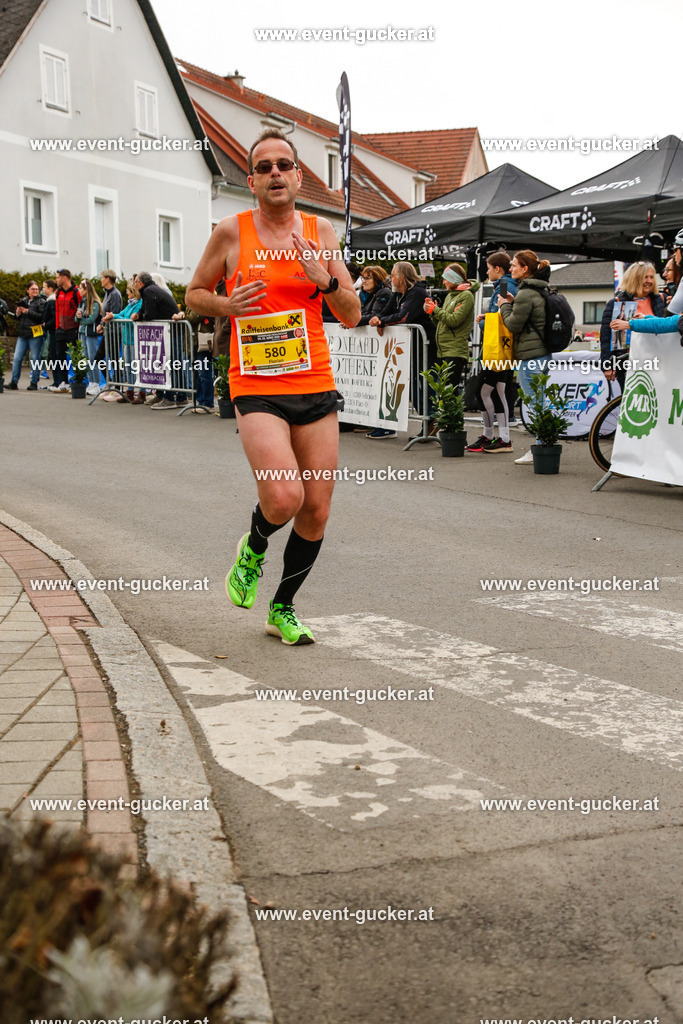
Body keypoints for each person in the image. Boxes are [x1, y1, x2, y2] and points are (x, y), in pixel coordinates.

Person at [185, 127, 360, 645]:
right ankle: (254, 547)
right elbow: (193, 294)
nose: (275, 173)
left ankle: (282, 607)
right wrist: (226, 304)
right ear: (252, 181)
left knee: (316, 508)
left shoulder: (321, 232)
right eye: (264, 167)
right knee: (284, 497)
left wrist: (326, 280)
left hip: (314, 381)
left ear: (299, 176)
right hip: (256, 384)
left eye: (284, 165)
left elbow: (352, 314)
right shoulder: (231, 232)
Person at [367, 261, 435, 438]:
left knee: (424, 382)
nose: (390, 279)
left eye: (393, 275)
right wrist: (377, 319)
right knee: (411, 383)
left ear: (402, 277)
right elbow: (385, 312)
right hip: (409, 345)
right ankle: (428, 420)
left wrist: (381, 321)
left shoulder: (417, 293)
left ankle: (432, 418)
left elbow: (404, 317)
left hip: (424, 344)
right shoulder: (398, 294)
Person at [498, 250, 551, 464]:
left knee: (535, 403)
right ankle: (545, 443)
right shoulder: (539, 289)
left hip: (531, 356)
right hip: (542, 352)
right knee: (540, 401)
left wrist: (504, 306)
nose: (510, 269)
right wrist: (512, 303)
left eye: (514, 265)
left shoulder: (526, 293)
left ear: (525, 268)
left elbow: (513, 324)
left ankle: (541, 446)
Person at [468, 253, 519, 453]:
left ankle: (491, 435)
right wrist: (487, 317)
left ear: (498, 268)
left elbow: (502, 319)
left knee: (482, 391)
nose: (487, 272)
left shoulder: (504, 285)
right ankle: (502, 438)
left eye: (488, 268)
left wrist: (483, 322)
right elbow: (501, 314)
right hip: (503, 349)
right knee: (498, 392)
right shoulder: (505, 285)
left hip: (498, 349)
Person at [600, 262, 667, 393]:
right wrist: (607, 365)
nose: (649, 281)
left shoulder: (661, 299)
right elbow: (606, 337)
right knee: (632, 400)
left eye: (651, 277)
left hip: (658, 360)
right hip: (628, 362)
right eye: (645, 277)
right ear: (635, 279)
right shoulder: (617, 303)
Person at [131, 271, 186, 409]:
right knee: (169, 363)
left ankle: (171, 398)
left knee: (171, 364)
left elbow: (150, 314)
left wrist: (141, 317)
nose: (134, 285)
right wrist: (138, 315)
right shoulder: (150, 290)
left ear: (140, 283)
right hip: (170, 331)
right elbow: (144, 309)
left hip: (171, 332)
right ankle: (170, 396)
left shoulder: (149, 291)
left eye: (135, 282)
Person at [7, 281, 46, 390]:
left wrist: (28, 312)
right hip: (23, 333)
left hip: (36, 332)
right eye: (33, 289)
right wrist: (18, 314)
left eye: (36, 289)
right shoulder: (23, 301)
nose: (35, 291)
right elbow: (19, 318)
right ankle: (14, 381)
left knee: (35, 358)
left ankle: (34, 382)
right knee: (17, 358)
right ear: (27, 290)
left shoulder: (41, 302)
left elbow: (41, 317)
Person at [49, 269, 80, 392]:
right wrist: (57, 327)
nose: (56, 280)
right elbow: (57, 311)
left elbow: (80, 308)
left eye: (58, 277)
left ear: (65, 277)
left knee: (75, 356)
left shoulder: (76, 292)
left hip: (73, 329)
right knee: (60, 356)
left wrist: (78, 328)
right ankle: (64, 381)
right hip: (61, 329)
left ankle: (77, 381)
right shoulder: (58, 292)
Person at [76, 279, 101, 395]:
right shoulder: (82, 302)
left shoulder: (95, 303)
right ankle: (91, 382)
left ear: (86, 290)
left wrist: (81, 318)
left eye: (81, 288)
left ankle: (96, 383)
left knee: (92, 358)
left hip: (91, 334)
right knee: (85, 358)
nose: (79, 290)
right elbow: (76, 318)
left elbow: (91, 320)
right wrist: (78, 316)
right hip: (82, 333)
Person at [40, 279, 57, 386]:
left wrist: (46, 324)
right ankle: (56, 382)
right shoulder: (49, 300)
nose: (42, 289)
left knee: (55, 356)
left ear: (50, 288)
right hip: (51, 331)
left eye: (44, 287)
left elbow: (54, 317)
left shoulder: (52, 300)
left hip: (54, 331)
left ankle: (57, 382)